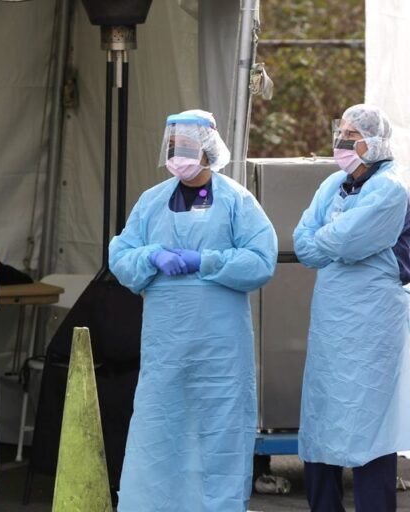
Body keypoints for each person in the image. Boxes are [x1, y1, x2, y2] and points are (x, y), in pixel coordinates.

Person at [109, 110, 278, 511]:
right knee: (159, 432)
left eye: (185, 145)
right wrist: (151, 255)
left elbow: (261, 261)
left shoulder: (237, 201)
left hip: (220, 353)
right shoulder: (152, 202)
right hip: (166, 348)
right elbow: (121, 256)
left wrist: (206, 261)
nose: (177, 154)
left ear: (207, 149)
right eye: (172, 146)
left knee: (219, 434)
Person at [293, 104, 410, 512]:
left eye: (352, 135)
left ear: (375, 141)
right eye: (341, 133)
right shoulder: (333, 184)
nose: (342, 141)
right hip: (331, 320)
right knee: (323, 415)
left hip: (373, 320)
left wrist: (329, 240)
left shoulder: (390, 189)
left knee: (370, 424)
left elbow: (347, 242)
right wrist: (333, 240)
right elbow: (303, 242)